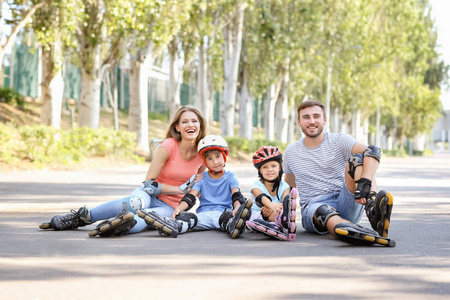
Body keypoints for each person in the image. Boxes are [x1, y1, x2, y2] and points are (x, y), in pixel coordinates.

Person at [39, 105, 207, 237]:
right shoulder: (169, 145)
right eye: (185, 121)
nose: (190, 125)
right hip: (150, 194)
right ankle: (82, 218)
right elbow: (149, 184)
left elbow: (198, 187)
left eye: (194, 121)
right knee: (135, 204)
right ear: (177, 127)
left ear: (200, 125)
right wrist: (179, 189)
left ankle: (118, 227)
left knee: (145, 217)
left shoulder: (203, 154)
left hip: (171, 206)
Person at [283, 99, 395, 247]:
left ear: (324, 120)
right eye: (306, 117)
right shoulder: (291, 152)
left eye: (316, 116)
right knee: (324, 210)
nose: (311, 121)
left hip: (347, 200)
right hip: (315, 207)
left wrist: (365, 182)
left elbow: (373, 151)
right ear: (299, 122)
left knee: (359, 159)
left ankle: (373, 208)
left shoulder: (338, 140)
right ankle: (348, 230)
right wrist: (276, 212)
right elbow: (288, 188)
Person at [136, 134, 253, 239]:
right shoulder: (201, 178)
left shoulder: (230, 177)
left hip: (223, 214)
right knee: (188, 219)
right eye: (210, 159)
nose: (215, 162)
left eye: (218, 156)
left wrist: (237, 207)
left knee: (228, 219)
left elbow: (236, 194)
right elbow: (190, 197)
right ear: (205, 162)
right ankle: (173, 225)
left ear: (224, 157)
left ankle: (234, 225)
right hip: (203, 216)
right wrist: (179, 209)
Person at [245, 146, 298, 241]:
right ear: (259, 171)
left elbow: (285, 202)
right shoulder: (257, 185)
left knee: (283, 210)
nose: (270, 170)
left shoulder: (284, 186)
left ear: (280, 168)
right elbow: (261, 197)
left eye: (273, 166)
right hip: (258, 214)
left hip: (276, 213)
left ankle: (279, 224)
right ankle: (276, 224)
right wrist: (271, 206)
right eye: (265, 167)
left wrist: (275, 209)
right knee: (257, 216)